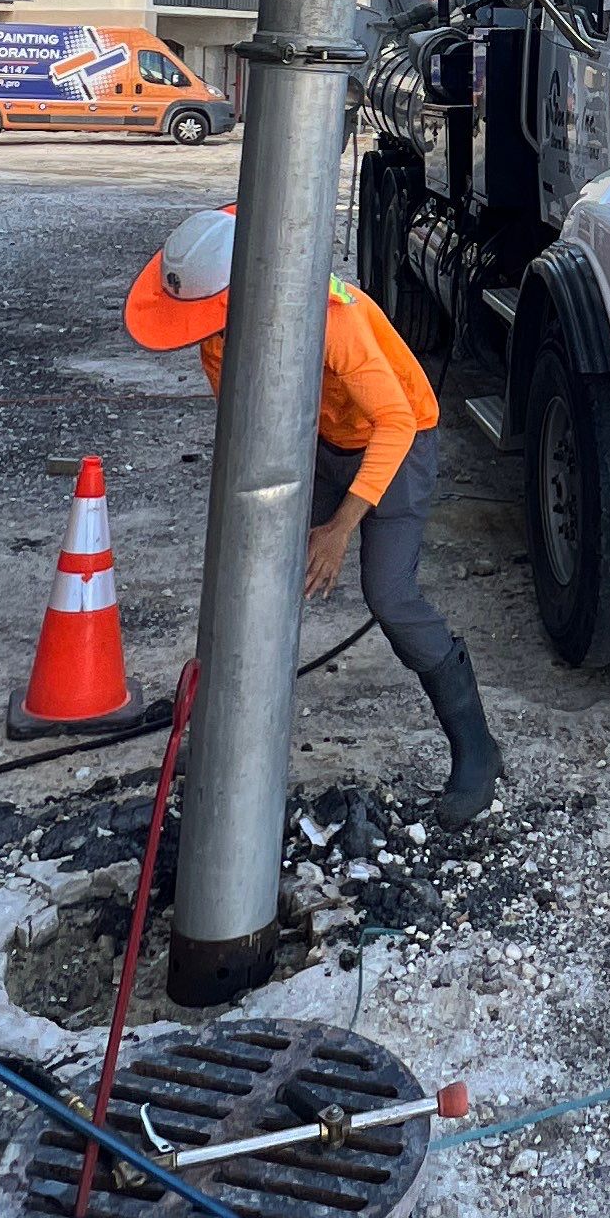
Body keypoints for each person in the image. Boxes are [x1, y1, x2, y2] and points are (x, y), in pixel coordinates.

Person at [124, 206, 502, 827]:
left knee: (391, 595)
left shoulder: (335, 323)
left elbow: (396, 423)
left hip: (398, 441)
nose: (204, 337)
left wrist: (336, 530)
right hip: (320, 441)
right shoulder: (217, 345)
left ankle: (477, 751)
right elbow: (256, 431)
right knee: (263, 576)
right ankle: (228, 741)